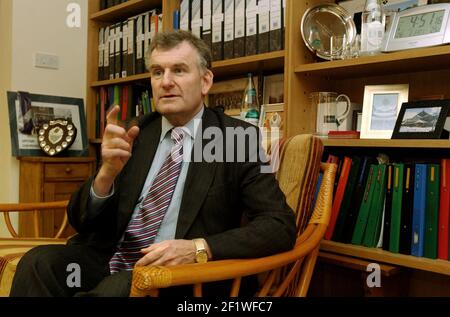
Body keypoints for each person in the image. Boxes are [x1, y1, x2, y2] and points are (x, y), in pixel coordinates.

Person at [10, 30, 296, 297]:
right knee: (38, 263)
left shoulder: (235, 138)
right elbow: (80, 221)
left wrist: (197, 248)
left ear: (206, 81)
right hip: (110, 259)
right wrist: (106, 174)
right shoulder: (135, 132)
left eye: (179, 70)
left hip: (182, 276)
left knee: (117, 287)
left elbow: (278, 225)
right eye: (157, 72)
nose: (166, 81)